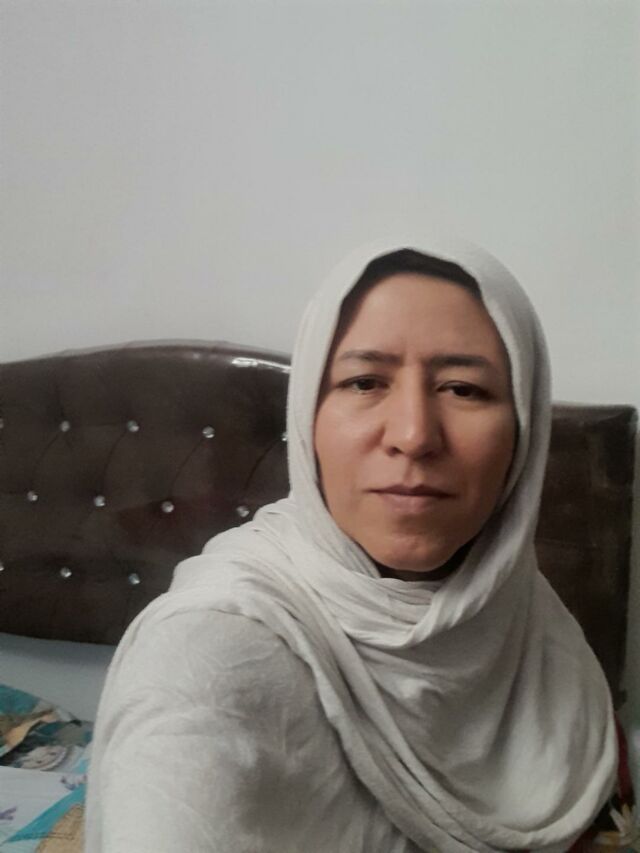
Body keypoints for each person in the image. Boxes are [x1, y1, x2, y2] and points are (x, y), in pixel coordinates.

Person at [86, 237, 634, 852]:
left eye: (463, 388)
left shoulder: (523, 614)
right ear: (307, 419)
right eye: (364, 381)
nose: (414, 435)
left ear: (524, 433)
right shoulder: (206, 655)